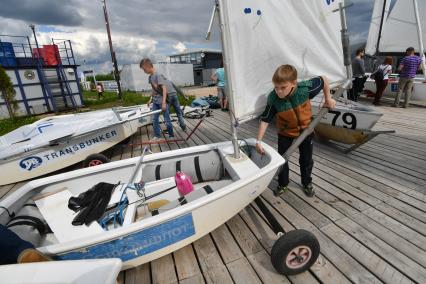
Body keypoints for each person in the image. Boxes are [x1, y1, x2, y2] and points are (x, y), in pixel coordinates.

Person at [255, 65, 336, 197]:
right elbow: (265, 120)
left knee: (306, 159)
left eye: (283, 87)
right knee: (282, 159)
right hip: (285, 134)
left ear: (293, 83)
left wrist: (328, 98)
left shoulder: (305, 89)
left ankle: (307, 183)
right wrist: (258, 141)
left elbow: (324, 79)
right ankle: (283, 183)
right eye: (276, 87)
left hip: (306, 132)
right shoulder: (273, 99)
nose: (278, 91)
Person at [140, 58, 174, 140]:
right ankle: (157, 135)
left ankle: (171, 135)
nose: (144, 71)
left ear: (148, 66)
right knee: (154, 119)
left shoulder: (158, 75)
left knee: (167, 120)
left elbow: (164, 89)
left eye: (144, 69)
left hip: (163, 101)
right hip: (155, 102)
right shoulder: (150, 77)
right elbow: (154, 90)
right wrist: (150, 99)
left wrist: (163, 103)